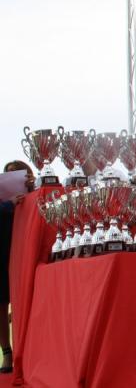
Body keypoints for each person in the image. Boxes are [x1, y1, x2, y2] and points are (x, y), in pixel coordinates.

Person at [0, 160, 34, 374]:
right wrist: (8, 205)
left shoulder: (34, 191)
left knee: (28, 300)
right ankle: (7, 352)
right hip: (2, 253)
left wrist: (33, 189)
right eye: (8, 173)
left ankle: (29, 351)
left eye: (17, 172)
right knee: (1, 304)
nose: (12, 176)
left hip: (25, 251)